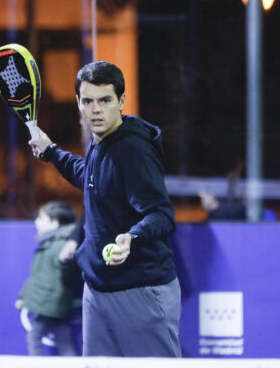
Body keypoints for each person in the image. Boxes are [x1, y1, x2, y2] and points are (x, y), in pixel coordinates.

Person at [28, 61, 181, 357]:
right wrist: (52, 152)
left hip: (141, 291)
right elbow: (92, 177)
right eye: (88, 101)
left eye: (105, 100)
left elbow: (161, 214)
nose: (96, 109)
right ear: (78, 104)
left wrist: (131, 238)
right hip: (98, 290)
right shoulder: (102, 143)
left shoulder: (133, 150)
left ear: (121, 102)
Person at [16, 201, 82, 356]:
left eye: (41, 218)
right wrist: (23, 297)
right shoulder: (49, 244)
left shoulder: (60, 246)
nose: (36, 222)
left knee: (34, 337)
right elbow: (36, 276)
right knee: (64, 341)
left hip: (51, 306)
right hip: (54, 306)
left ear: (54, 223)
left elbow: (67, 275)